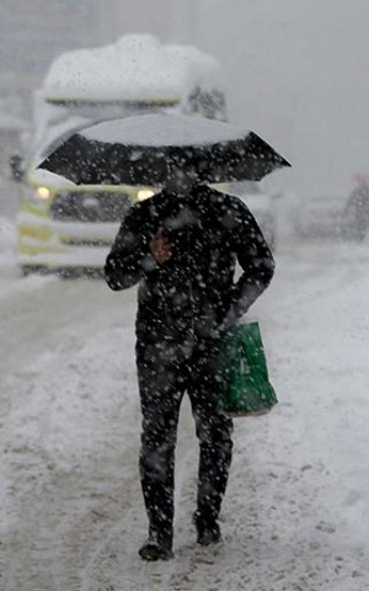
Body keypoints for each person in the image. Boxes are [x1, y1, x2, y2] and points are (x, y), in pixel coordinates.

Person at [105, 170, 274, 561]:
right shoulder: (144, 215)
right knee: (157, 438)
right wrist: (150, 257)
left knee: (215, 435)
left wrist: (229, 311)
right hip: (157, 346)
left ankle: (208, 520)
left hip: (213, 346)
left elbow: (261, 266)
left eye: (188, 168)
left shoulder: (227, 210)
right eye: (173, 169)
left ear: (204, 170)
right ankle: (159, 533)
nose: (180, 176)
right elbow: (114, 274)